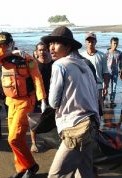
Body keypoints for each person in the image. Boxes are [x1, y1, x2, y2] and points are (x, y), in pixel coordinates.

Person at [41, 26, 100, 178]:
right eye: (50, 44)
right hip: (91, 124)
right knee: (84, 171)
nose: (51, 48)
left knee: (55, 174)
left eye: (56, 43)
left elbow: (54, 102)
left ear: (68, 46)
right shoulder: (84, 65)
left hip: (75, 128)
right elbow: (95, 95)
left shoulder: (59, 65)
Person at [0, 32, 47, 178]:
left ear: (12, 42)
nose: (3, 47)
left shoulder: (27, 58)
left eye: (6, 44)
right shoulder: (1, 58)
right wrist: (9, 52)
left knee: (13, 138)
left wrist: (43, 100)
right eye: (0, 45)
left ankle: (31, 166)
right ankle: (21, 168)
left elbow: (37, 78)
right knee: (17, 139)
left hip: (25, 102)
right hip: (10, 102)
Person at [30, 41, 53, 153]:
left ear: (48, 51)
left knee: (51, 119)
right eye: (40, 50)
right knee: (34, 120)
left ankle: (48, 141)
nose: (42, 52)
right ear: (36, 52)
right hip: (36, 96)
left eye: (45, 50)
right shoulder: (32, 65)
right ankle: (34, 143)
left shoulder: (54, 64)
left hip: (51, 96)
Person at [81, 32, 108, 115]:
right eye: (88, 41)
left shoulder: (102, 55)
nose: (90, 43)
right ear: (85, 42)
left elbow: (105, 72)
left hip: (98, 85)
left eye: (92, 41)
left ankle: (98, 124)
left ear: (95, 42)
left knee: (98, 107)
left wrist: (106, 86)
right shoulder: (81, 56)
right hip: (85, 85)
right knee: (86, 107)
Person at [105, 37, 122, 105]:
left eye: (117, 43)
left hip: (115, 72)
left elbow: (120, 63)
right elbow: (104, 63)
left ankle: (112, 101)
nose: (115, 45)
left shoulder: (120, 53)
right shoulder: (107, 52)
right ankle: (106, 98)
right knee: (107, 86)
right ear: (111, 44)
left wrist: (120, 71)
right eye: (114, 43)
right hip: (107, 72)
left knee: (114, 87)